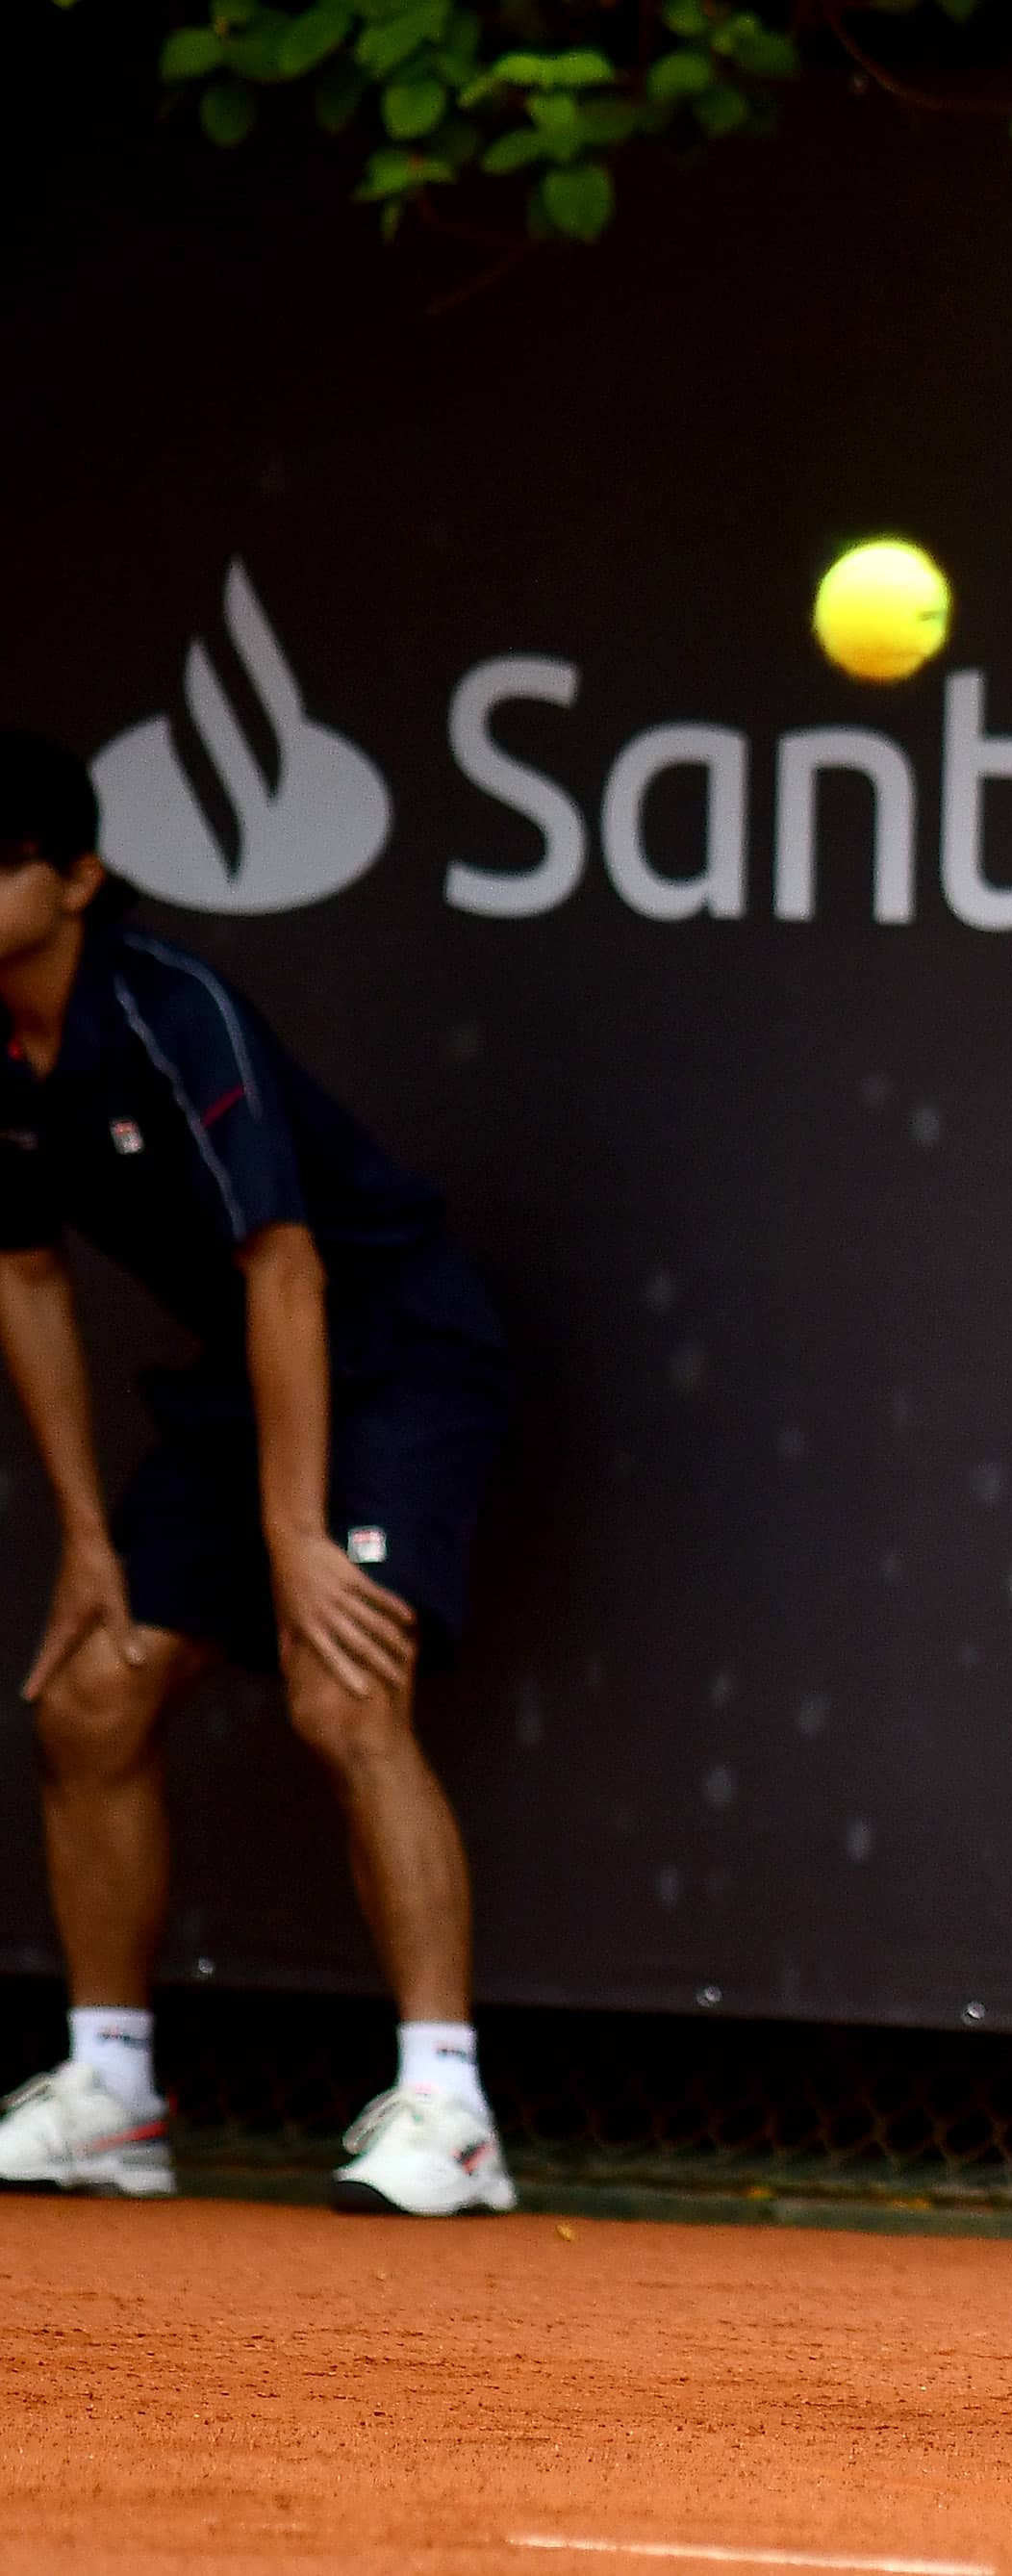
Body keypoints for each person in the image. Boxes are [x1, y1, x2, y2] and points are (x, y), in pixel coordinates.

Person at [0, 727, 518, 2217]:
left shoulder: (175, 1014)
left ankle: (450, 2106)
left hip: (396, 1352)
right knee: (92, 1691)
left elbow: (281, 1267)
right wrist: (87, 1538)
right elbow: (26, 1276)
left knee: (342, 1686)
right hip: (257, 1385)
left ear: (79, 878)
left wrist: (296, 1535)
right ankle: (112, 2092)